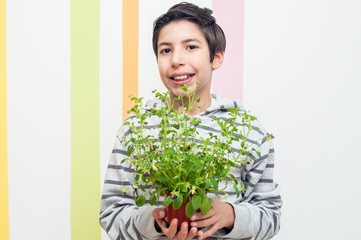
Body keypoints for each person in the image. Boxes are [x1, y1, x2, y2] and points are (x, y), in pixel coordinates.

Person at [99, 2, 282, 240]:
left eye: (191, 47)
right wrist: (153, 222)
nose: (176, 60)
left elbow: (271, 216)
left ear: (216, 57)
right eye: (165, 50)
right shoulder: (136, 130)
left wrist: (230, 216)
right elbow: (111, 212)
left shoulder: (248, 131)